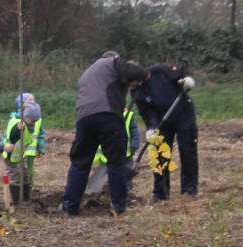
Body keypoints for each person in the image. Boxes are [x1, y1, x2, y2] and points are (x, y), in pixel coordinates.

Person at [59, 53, 149, 216]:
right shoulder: (112, 62)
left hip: (83, 118)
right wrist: (145, 75)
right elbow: (135, 72)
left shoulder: (87, 73)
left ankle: (69, 206)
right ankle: (118, 208)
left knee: (80, 163)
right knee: (116, 162)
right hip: (107, 115)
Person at [132, 63, 198, 199]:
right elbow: (147, 112)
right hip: (162, 122)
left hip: (183, 114)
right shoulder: (136, 92)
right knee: (159, 154)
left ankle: (189, 190)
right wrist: (151, 127)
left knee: (187, 150)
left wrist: (188, 79)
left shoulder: (161, 71)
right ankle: (161, 193)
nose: (128, 85)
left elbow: (182, 70)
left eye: (130, 81)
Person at [84, 105, 140, 195]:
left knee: (126, 171)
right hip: (107, 154)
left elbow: (135, 132)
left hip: (126, 153)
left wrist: (134, 146)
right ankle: (106, 190)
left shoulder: (128, 116)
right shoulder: (104, 116)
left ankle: (127, 191)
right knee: (107, 174)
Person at [1, 94, 45, 204]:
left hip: (21, 155)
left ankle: (26, 199)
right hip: (11, 156)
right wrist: (17, 129)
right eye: (32, 121)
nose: (34, 123)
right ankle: (17, 201)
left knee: (25, 175)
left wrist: (40, 147)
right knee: (15, 177)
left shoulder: (30, 123)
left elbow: (36, 134)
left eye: (35, 121)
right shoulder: (17, 122)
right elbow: (11, 136)